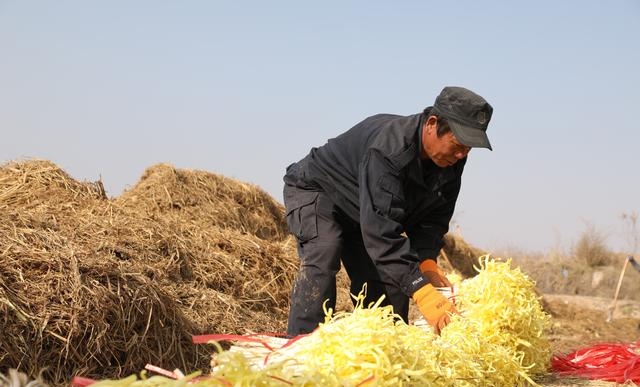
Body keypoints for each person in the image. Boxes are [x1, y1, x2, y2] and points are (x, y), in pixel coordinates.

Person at [282, 86, 493, 336]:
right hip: (319, 190)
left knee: (388, 283)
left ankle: (384, 350)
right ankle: (299, 345)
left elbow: (433, 220)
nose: (461, 154)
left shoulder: (451, 160)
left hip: (365, 208)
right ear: (432, 123)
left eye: (468, 149)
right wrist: (422, 292)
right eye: (458, 144)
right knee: (323, 254)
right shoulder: (389, 150)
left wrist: (426, 263)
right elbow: (382, 232)